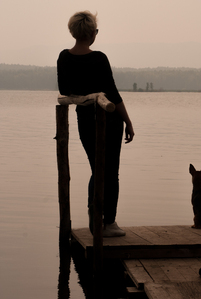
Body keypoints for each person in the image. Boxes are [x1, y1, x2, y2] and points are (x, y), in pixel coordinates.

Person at [57, 11, 135, 237]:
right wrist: (128, 121)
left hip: (85, 120)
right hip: (108, 121)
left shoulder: (64, 57)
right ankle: (107, 222)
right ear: (92, 33)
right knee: (111, 171)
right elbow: (112, 93)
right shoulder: (99, 58)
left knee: (97, 168)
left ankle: (96, 212)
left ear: (73, 32)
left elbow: (64, 90)